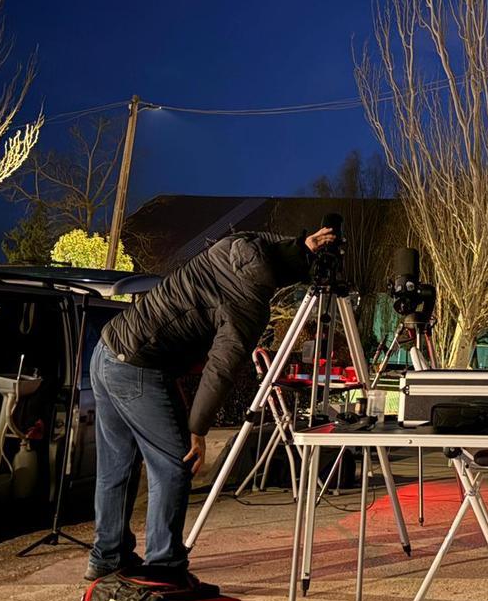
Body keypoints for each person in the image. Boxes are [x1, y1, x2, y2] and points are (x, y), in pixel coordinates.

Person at [84, 225, 338, 582]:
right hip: (139, 366)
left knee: (116, 467)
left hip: (107, 349)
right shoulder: (249, 302)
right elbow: (220, 370)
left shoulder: (233, 245)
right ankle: (164, 567)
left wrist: (302, 245)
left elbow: (267, 241)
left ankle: (107, 557)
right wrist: (197, 430)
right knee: (176, 465)